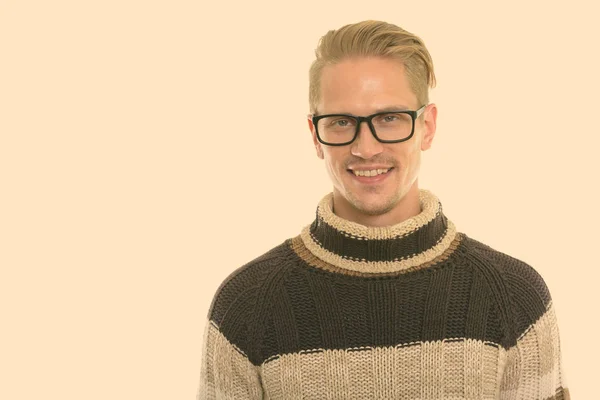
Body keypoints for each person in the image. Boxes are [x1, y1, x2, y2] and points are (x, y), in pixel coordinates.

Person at [197, 20, 569, 399]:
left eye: (389, 118)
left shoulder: (515, 298)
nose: (366, 148)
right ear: (315, 136)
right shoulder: (246, 305)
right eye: (341, 122)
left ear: (428, 126)